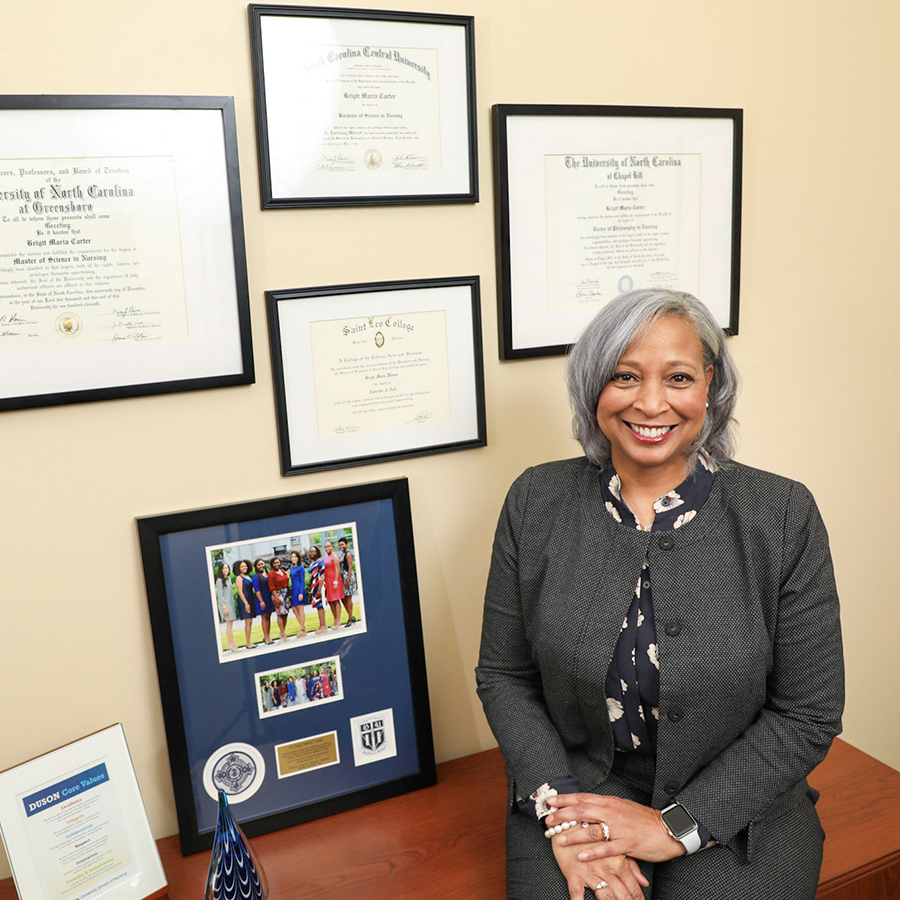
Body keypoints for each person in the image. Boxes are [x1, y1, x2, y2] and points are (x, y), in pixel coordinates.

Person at [475, 289, 844, 900]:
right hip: (577, 790)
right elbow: (504, 676)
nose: (651, 402)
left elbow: (808, 712)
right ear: (594, 389)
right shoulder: (535, 503)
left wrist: (672, 827)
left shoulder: (782, 515)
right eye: (625, 376)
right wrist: (565, 816)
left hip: (743, 803)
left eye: (677, 377)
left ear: (710, 386)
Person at [214, 561, 239, 652]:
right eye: (224, 568)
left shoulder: (228, 579)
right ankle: (232, 645)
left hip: (230, 604)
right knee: (229, 626)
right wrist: (224, 607)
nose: (226, 569)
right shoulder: (219, 581)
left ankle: (229, 644)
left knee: (230, 625)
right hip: (225, 605)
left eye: (227, 567)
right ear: (221, 570)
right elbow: (220, 596)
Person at [233, 560, 257, 650]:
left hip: (250, 598)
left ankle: (249, 641)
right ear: (238, 568)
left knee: (250, 622)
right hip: (244, 600)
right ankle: (248, 643)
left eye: (245, 566)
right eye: (242, 566)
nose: (244, 568)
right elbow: (240, 591)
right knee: (248, 622)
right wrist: (246, 603)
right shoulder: (239, 578)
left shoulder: (247, 576)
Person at [267, 556, 290, 641]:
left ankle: (282, 632)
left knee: (285, 613)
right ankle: (283, 633)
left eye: (278, 562)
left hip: (285, 594)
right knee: (280, 614)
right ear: (272, 565)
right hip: (277, 594)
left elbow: (287, 582)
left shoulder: (283, 571)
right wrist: (276, 598)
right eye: (275, 563)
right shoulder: (271, 574)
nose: (277, 564)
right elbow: (272, 587)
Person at [323, 540, 345, 629]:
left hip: (334, 579)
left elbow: (337, 570)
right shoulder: (325, 557)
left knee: (336, 600)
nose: (327, 548)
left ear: (332, 546)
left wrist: (335, 582)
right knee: (331, 601)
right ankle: (335, 619)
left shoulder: (335, 556)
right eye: (325, 547)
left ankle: (338, 620)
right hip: (328, 580)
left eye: (329, 546)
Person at [306, 546, 329, 635]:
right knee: (317, 606)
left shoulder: (320, 562)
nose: (312, 553)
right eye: (310, 551)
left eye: (313, 552)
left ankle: (324, 626)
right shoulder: (312, 563)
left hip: (319, 586)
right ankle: (321, 625)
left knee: (320, 606)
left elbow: (322, 576)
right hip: (313, 587)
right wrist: (311, 590)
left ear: (317, 552)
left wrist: (319, 589)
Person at [252, 558, 274, 645]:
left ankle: (268, 636)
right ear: (256, 567)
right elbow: (257, 590)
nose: (261, 566)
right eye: (259, 565)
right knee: (264, 618)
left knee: (268, 617)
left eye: (262, 564)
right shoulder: (256, 576)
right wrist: (261, 602)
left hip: (268, 597)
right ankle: (266, 637)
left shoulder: (267, 574)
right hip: (261, 598)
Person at [338, 537, 358, 627]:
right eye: (339, 545)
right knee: (343, 598)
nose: (341, 546)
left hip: (348, 577)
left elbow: (350, 567)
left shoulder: (348, 554)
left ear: (346, 544)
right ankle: (351, 616)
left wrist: (347, 580)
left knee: (348, 598)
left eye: (342, 544)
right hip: (343, 577)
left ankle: (350, 619)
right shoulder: (342, 554)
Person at [289, 550, 308, 638]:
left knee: (300, 610)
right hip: (294, 591)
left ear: (298, 558)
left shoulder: (301, 568)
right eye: (292, 557)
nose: (294, 558)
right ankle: (303, 627)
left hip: (300, 590)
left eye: (295, 557)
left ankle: (302, 630)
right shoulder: (291, 567)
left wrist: (301, 593)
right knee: (294, 609)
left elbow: (302, 581)